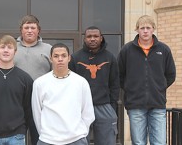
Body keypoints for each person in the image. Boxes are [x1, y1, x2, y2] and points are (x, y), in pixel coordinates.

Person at [117, 15, 176, 145]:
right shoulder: (126, 50)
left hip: (158, 105)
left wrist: (159, 87)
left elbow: (171, 74)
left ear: (153, 29)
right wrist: (129, 88)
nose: (145, 31)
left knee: (160, 142)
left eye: (148, 28)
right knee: (138, 142)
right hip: (135, 105)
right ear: (137, 29)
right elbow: (119, 74)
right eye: (142, 28)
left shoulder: (163, 49)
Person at [32, 43, 95, 145]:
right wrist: (46, 135)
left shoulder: (81, 82)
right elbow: (37, 113)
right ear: (50, 59)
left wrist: (79, 133)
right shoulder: (39, 83)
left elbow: (88, 113)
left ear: (69, 58)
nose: (60, 59)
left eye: (63, 56)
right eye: (56, 56)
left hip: (76, 140)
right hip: (47, 140)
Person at [69, 26, 120, 145]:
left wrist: (112, 105)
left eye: (96, 36)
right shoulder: (75, 58)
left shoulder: (110, 57)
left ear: (101, 38)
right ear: (84, 39)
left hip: (104, 106)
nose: (92, 39)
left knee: (107, 142)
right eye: (89, 36)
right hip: (80, 108)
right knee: (79, 142)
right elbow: (70, 84)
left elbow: (115, 83)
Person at [14, 14, 52, 145]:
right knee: (17, 139)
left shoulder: (48, 49)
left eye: (32, 27)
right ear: (21, 30)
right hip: (17, 102)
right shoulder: (11, 48)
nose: (29, 30)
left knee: (40, 138)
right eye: (26, 27)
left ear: (38, 30)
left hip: (42, 103)